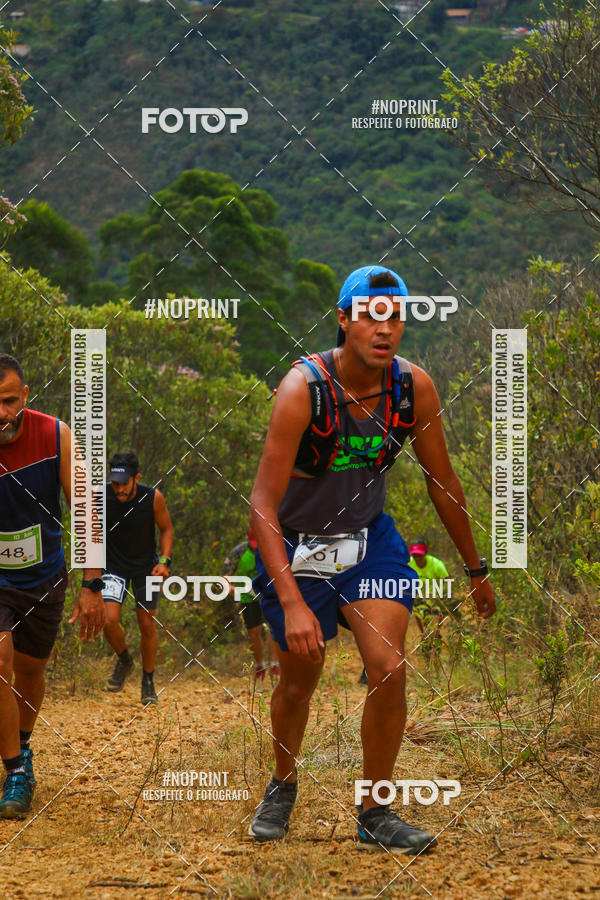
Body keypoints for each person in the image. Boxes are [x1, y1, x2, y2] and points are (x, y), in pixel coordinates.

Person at [249, 265, 495, 851]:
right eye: (370, 315)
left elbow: (444, 483)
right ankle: (283, 783)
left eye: (395, 317)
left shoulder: (413, 388)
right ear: (344, 319)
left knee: (388, 667)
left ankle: (375, 813)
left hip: (368, 542)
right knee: (298, 682)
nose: (384, 329)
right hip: (296, 546)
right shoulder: (301, 389)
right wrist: (292, 602)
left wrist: (476, 569)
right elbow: (261, 502)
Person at [0, 354, 105, 819]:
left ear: (24, 397)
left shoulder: (55, 435)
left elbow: (85, 508)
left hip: (44, 574)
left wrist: (93, 584)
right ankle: (15, 771)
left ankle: (22, 746)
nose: (0, 413)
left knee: (29, 670)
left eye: (7, 401)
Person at [102, 450, 173, 705]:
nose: (119, 488)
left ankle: (148, 680)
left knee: (146, 623)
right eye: (115, 483)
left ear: (137, 478)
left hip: (146, 567)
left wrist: (164, 562)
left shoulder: (153, 498)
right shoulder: (101, 497)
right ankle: (124, 660)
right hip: (113, 566)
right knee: (108, 621)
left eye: (124, 483)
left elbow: (166, 529)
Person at [221, 529, 279, 681]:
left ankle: (274, 664)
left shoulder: (272, 549)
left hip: (268, 595)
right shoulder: (239, 552)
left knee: (272, 628)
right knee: (254, 632)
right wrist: (230, 587)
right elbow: (225, 575)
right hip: (248, 597)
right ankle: (259, 665)